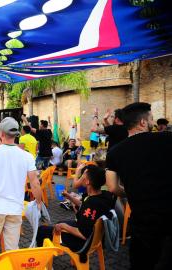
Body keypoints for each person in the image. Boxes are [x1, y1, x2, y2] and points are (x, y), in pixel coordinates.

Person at [106, 102, 172, 269]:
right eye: (151, 119)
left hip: (142, 223)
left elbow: (112, 187)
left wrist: (130, 192)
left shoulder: (114, 152)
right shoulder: (167, 139)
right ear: (143, 122)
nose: (153, 122)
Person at [0, 117, 42, 269]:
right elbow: (35, 183)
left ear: (1, 133)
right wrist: (39, 202)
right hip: (15, 209)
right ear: (16, 134)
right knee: (12, 249)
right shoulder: (27, 156)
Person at [37, 166, 115, 253]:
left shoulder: (92, 203)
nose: (81, 178)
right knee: (59, 223)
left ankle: (42, 256)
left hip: (83, 244)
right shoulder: (104, 195)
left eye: (83, 176)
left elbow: (83, 234)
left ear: (87, 181)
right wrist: (70, 197)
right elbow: (85, 206)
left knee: (42, 230)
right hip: (95, 237)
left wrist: (64, 226)